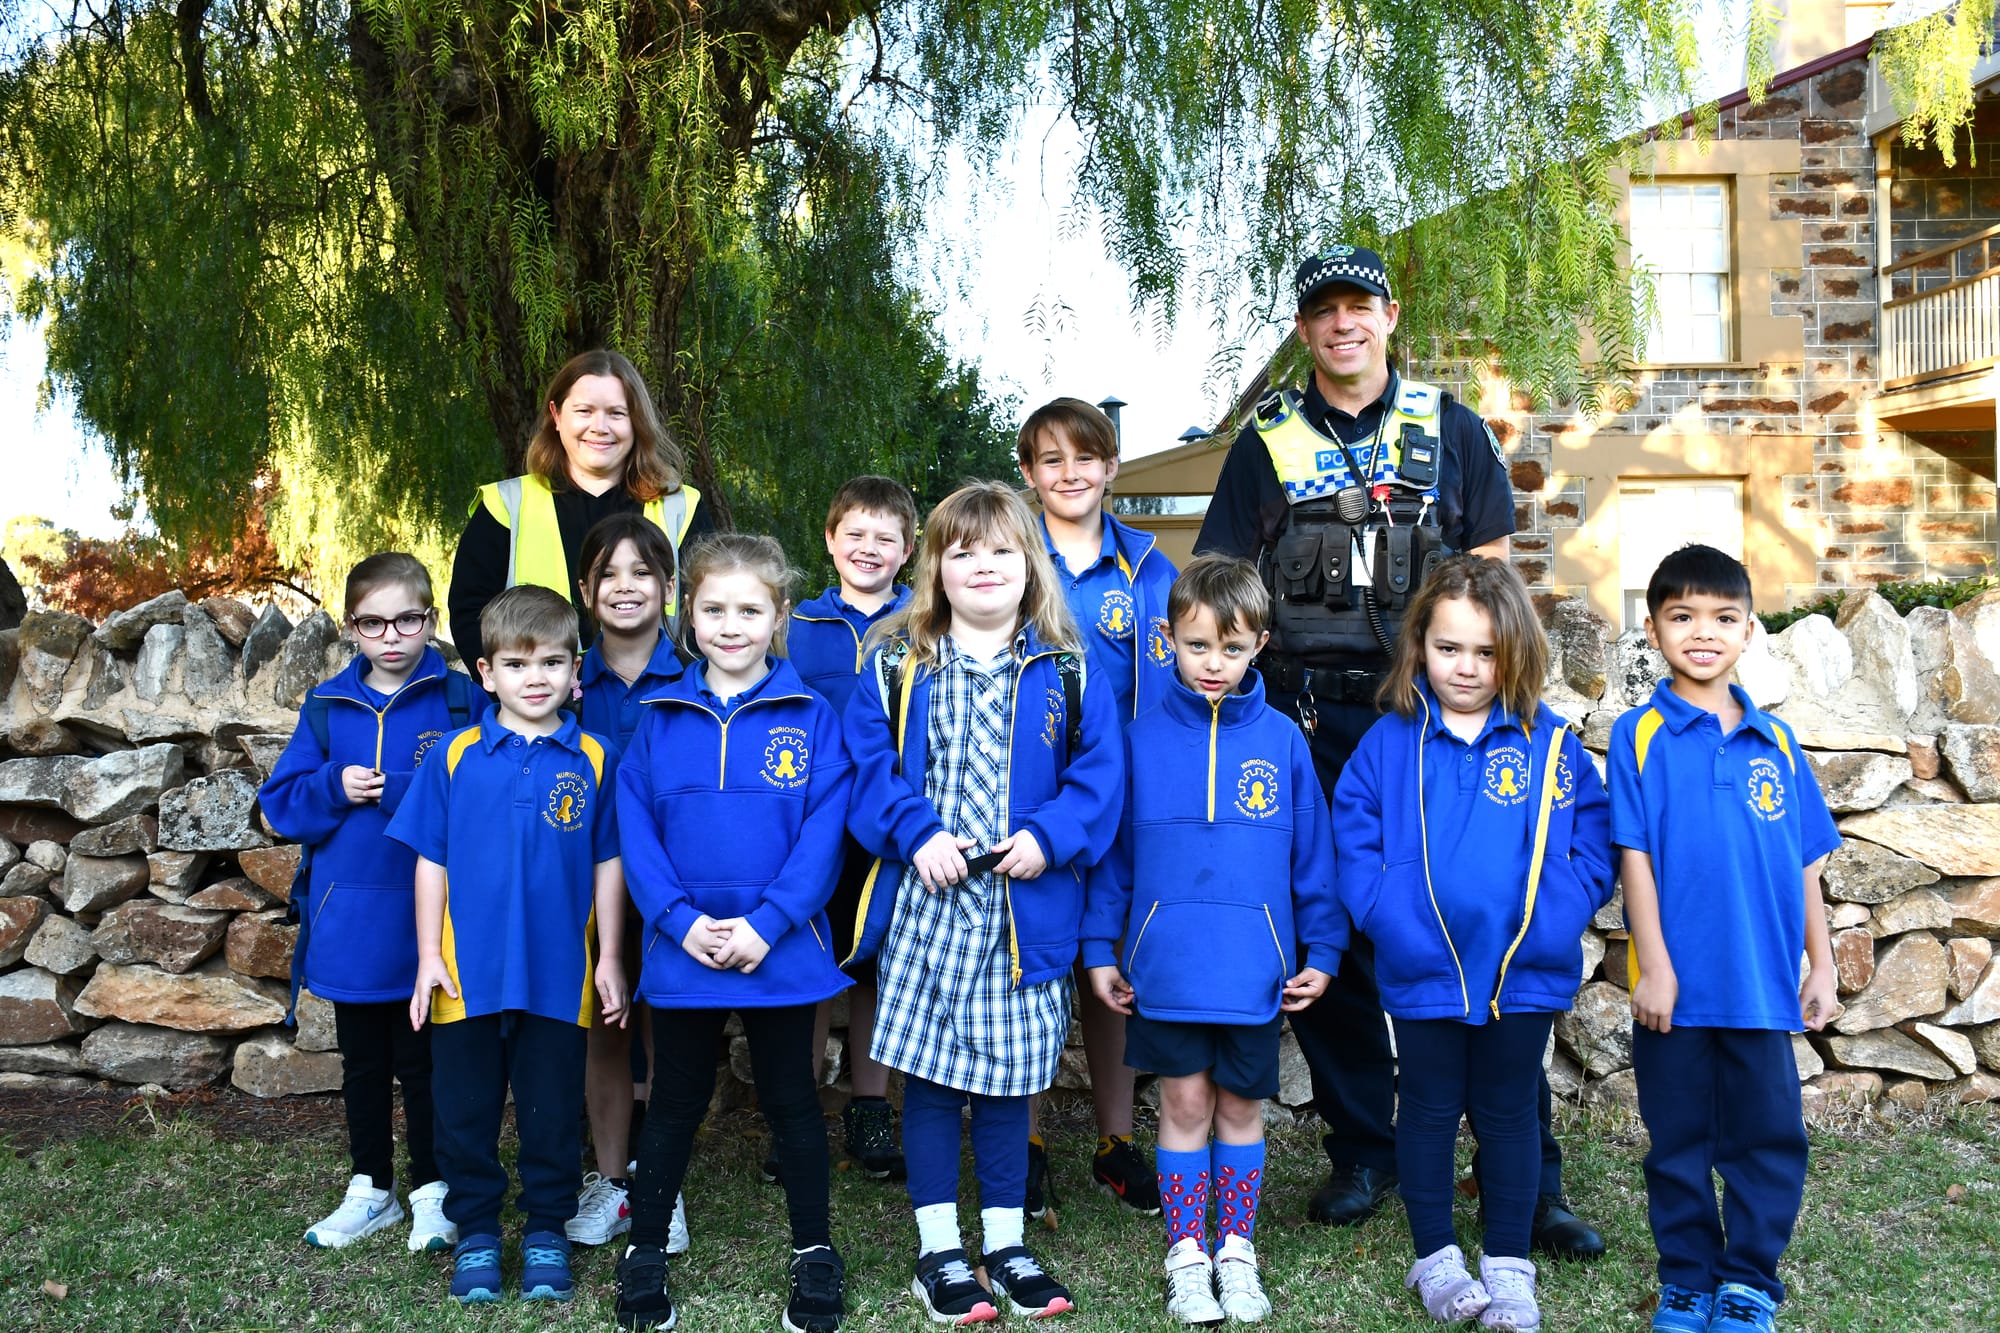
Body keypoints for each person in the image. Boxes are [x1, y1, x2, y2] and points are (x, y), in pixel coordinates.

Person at [1195, 244, 1602, 1261]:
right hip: (1314, 725)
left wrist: (1489, 693)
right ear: (1304, 329)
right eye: (1323, 310)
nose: (1343, 323)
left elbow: (1494, 590)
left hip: (1437, 721)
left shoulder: (1451, 430)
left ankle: (1525, 1175)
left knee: (1484, 922)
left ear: (1387, 316)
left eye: (1359, 306)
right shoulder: (1264, 442)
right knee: (1329, 933)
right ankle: (1364, 1150)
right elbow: (1221, 583)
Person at [842, 481, 1123, 1323]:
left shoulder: (1068, 667)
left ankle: (1005, 1244)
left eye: (1002, 550)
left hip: (1021, 915)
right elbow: (867, 770)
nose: (984, 565)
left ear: (1030, 563)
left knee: (1007, 1087)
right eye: (962, 552)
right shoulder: (895, 664)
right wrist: (915, 831)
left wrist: (1050, 836)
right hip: (929, 906)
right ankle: (938, 1251)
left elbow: (1099, 777)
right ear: (934, 566)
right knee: (930, 1083)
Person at [1334, 557, 1613, 1332]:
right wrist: (1389, 915)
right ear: (1419, 645)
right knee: (1426, 1110)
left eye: (1486, 652)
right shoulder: (1389, 745)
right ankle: (1435, 1257)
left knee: (1510, 1112)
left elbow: (1591, 842)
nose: (1466, 666)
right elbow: (1354, 840)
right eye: (1448, 647)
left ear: (1514, 652)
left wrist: (1556, 914)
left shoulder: (1548, 745)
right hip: (1422, 966)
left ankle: (1509, 1264)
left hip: (1521, 970)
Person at [1081, 554, 1344, 1326]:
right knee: (1185, 1100)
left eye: (1231, 647)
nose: (1213, 663)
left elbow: (1314, 860)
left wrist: (1324, 951)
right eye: (1197, 645)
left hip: (1255, 971)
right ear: (1168, 639)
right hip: (1165, 968)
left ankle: (1236, 1247)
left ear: (1260, 643)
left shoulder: (1285, 742)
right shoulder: (1138, 740)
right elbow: (1113, 859)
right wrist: (1098, 948)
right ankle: (1187, 1252)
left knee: (1239, 1105)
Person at [613, 534, 854, 1333]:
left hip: (778, 951)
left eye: (750, 610)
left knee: (791, 1098)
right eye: (713, 608)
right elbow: (637, 834)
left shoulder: (812, 717)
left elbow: (823, 836)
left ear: (779, 615)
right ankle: (645, 1249)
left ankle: (814, 1251)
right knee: (675, 1101)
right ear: (688, 611)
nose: (730, 625)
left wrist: (768, 922)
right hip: (684, 950)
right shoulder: (657, 719)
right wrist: (679, 923)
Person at [1611, 546, 1840, 1333]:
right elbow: (1634, 856)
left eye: (1722, 617)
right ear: (1652, 629)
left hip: (1760, 986)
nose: (1702, 633)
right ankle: (1686, 1278)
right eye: (1682, 616)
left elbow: (1804, 863)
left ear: (1749, 630)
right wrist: (1655, 965)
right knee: (1677, 1140)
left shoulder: (1778, 742)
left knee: (1767, 1138)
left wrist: (1822, 963)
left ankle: (1748, 1281)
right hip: (1675, 990)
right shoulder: (1639, 734)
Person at [388, 586, 628, 1306]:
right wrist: (428, 955)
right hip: (466, 974)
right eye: (517, 664)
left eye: (552, 661)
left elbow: (608, 862)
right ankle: (479, 1233)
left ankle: (547, 1228)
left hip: (559, 974)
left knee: (552, 1111)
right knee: (464, 1111)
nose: (536, 677)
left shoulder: (595, 757)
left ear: (576, 670)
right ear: (486, 673)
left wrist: (610, 956)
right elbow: (430, 860)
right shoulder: (455, 756)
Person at [259, 552, 472, 1254]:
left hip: (432, 924)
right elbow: (280, 805)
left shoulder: (461, 699)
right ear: (351, 627)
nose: (392, 636)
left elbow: (486, 794)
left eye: (407, 619)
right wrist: (333, 785)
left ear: (430, 620)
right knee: (364, 1065)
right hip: (351, 923)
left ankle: (433, 1190)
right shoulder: (326, 706)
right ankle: (370, 1186)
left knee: (426, 1064)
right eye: (373, 622)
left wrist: (406, 787)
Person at [1017, 397, 1178, 1221]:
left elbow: (1178, 679)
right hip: (1032, 802)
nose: (1070, 472)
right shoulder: (1012, 557)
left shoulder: (1146, 568)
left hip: (1122, 803)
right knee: (1032, 965)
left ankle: (1115, 1142)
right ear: (1028, 473)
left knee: (1109, 966)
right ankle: (1025, 1142)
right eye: (1051, 459)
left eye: (1086, 457)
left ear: (1112, 467)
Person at [566, 515, 690, 1254]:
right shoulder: (563, 677)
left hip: (677, 881)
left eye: (641, 572)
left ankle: (660, 1185)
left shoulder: (698, 676)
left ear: (668, 587)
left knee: (666, 1028)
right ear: (585, 591)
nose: (624, 586)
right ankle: (611, 1181)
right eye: (607, 574)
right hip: (586, 883)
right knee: (604, 1023)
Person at [789, 476, 919, 1183]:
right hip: (809, 824)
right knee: (809, 963)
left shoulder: (925, 622)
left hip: (889, 822)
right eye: (855, 534)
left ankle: (871, 1108)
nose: (869, 548)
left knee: (874, 964)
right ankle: (798, 1114)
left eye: (885, 537)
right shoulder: (796, 626)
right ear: (830, 540)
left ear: (908, 549)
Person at [449, 348, 714, 669]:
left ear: (637, 421)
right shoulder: (505, 506)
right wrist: (515, 689)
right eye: (584, 411)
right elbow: (470, 616)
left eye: (617, 413)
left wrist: (683, 689)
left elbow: (710, 608)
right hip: (538, 697)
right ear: (557, 415)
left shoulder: (680, 507)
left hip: (661, 694)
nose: (600, 426)